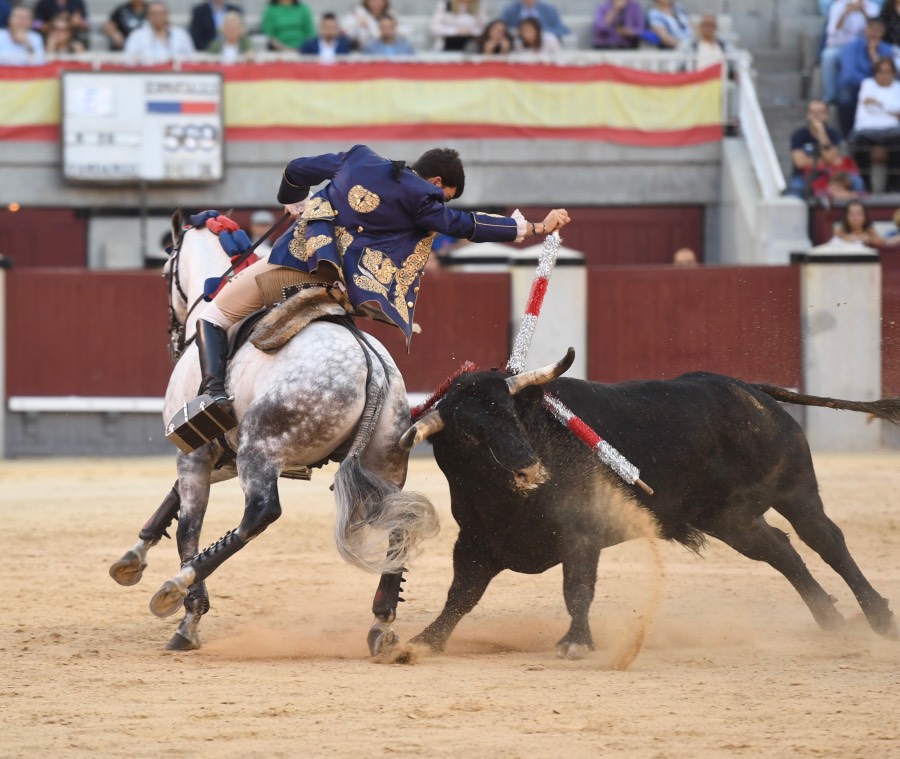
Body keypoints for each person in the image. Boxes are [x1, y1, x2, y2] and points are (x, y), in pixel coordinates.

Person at [190, 145, 571, 416]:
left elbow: (295, 169)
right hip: (349, 289)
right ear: (437, 180)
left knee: (213, 313)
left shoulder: (358, 158)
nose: (442, 202)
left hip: (296, 263)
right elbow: (466, 225)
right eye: (445, 195)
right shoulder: (426, 201)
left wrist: (293, 200)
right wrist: (532, 227)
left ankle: (214, 393)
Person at [849, 56, 900, 191]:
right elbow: (869, 105)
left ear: (893, 73)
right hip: (866, 129)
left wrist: (879, 104)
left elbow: (897, 109)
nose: (884, 75)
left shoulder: (898, 88)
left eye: (888, 71)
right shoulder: (867, 84)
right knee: (859, 143)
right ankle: (866, 186)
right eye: (881, 71)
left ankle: (892, 186)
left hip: (892, 130)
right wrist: (891, 111)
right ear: (875, 73)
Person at [836, 17, 892, 136]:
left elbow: (888, 74)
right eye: (872, 29)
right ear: (866, 30)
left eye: (878, 30)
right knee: (844, 98)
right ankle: (847, 135)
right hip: (856, 87)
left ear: (883, 33)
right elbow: (848, 74)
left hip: (879, 87)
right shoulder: (852, 46)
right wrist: (869, 85)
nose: (875, 33)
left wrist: (874, 58)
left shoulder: (887, 49)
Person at [820, 0, 880, 107]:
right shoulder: (838, 6)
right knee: (828, 56)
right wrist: (845, 13)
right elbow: (833, 31)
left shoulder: (872, 7)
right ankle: (830, 97)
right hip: (841, 46)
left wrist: (864, 12)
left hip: (863, 46)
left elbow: (875, 29)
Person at [787, 99, 843, 199]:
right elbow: (799, 163)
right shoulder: (799, 135)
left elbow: (832, 160)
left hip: (829, 173)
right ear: (808, 115)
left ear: (827, 116)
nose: (817, 116)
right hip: (803, 175)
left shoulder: (833, 134)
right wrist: (823, 160)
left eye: (821, 113)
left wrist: (821, 133)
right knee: (795, 188)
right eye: (813, 113)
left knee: (856, 182)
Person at [123, 0, 195, 63]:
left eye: (161, 13)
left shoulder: (181, 34)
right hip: (146, 75)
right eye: (154, 14)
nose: (158, 17)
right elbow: (128, 61)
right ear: (148, 16)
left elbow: (192, 59)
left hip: (177, 76)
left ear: (167, 15)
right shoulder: (136, 36)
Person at [341, 0, 408, 51]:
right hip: (362, 51)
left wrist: (391, 28)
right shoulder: (358, 13)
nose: (376, 2)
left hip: (385, 49)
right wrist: (358, 27)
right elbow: (345, 31)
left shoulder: (392, 14)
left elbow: (405, 32)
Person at [499, 0, 569, 42]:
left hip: (544, 47)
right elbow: (500, 28)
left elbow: (563, 30)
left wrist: (541, 33)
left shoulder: (549, 9)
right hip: (518, 46)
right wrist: (516, 32)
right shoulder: (510, 10)